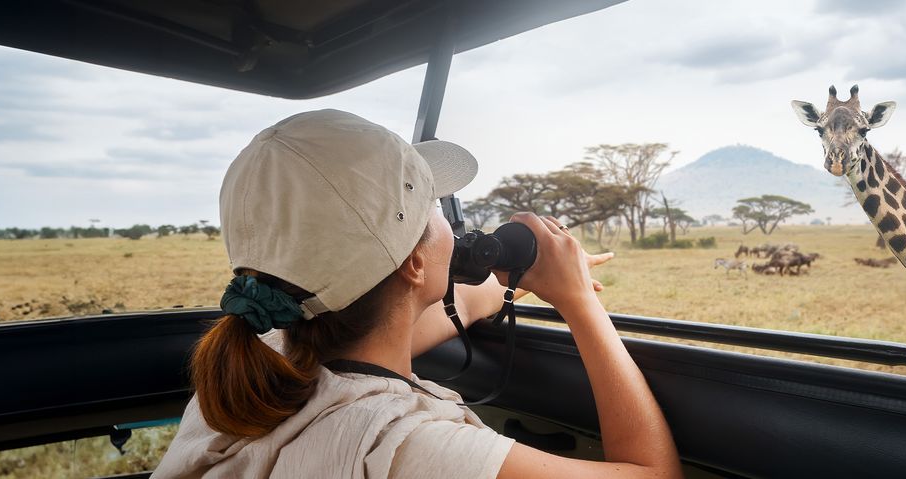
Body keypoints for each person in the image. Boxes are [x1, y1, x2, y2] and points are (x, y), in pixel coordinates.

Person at [152, 110, 680, 478]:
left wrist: (526, 279)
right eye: (432, 206)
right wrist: (581, 304)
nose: (449, 221)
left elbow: (460, 304)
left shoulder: (258, 368)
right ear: (413, 263)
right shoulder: (405, 447)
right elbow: (654, 475)